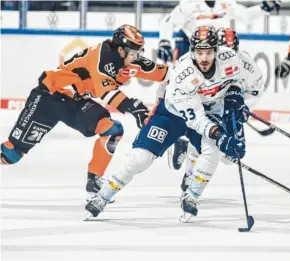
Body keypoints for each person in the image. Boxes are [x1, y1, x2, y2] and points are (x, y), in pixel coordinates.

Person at [84, 25, 246, 222]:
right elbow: (195, 119)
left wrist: (234, 94)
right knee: (141, 159)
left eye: (209, 52)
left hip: (207, 110)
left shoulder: (230, 58)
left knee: (218, 151)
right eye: (199, 52)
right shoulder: (183, 74)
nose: (204, 58)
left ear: (216, 51)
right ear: (192, 51)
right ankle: (103, 196)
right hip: (173, 113)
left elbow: (235, 80)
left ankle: (192, 196)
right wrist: (220, 134)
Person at [0, 24, 169, 200]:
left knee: (112, 129)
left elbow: (166, 74)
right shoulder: (102, 58)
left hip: (73, 102)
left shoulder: (130, 59)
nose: (137, 57)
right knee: (11, 154)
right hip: (48, 96)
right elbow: (107, 93)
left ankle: (94, 181)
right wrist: (135, 107)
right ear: (121, 50)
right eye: (133, 53)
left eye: (138, 52)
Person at [157, 0, 281, 169]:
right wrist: (164, 41)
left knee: (219, 88)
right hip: (191, 48)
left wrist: (263, 8)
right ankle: (182, 134)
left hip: (216, 51)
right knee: (185, 92)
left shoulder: (225, 2)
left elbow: (244, 15)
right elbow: (168, 21)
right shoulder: (189, 3)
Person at [178, 27, 265, 203]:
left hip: (229, 107)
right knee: (206, 139)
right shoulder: (194, 63)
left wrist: (242, 106)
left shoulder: (246, 65)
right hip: (205, 108)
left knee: (232, 156)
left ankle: (189, 150)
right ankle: (190, 175)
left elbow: (256, 89)